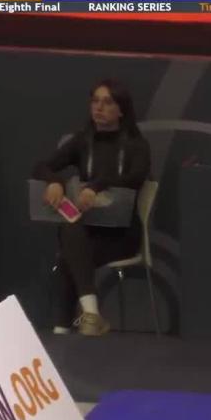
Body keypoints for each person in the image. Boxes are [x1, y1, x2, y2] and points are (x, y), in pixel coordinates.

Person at [34, 79, 151, 337]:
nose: (99, 107)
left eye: (107, 102)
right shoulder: (82, 141)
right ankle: (90, 315)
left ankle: (62, 329)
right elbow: (42, 166)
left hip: (121, 235)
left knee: (69, 252)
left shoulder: (136, 145)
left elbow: (135, 178)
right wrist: (54, 182)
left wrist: (96, 186)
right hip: (87, 232)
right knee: (72, 233)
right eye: (95, 101)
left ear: (121, 110)